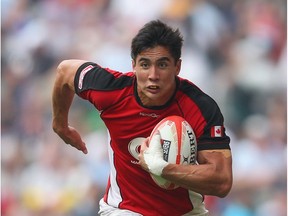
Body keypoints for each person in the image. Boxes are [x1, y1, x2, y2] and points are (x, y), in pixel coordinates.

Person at [52, 20, 232, 216]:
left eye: (162, 65)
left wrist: (161, 168)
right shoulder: (111, 90)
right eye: (145, 65)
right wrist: (60, 125)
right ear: (134, 65)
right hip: (124, 210)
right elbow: (65, 71)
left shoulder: (200, 108)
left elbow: (222, 181)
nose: (153, 75)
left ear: (177, 67)